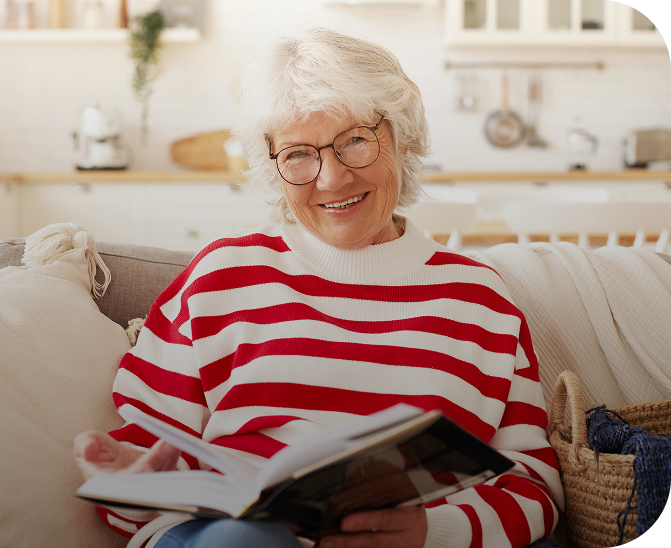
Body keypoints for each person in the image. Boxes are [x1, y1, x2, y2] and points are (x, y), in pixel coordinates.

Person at [74, 27, 564, 548]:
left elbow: (534, 487)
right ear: (273, 166)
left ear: (401, 138)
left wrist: (431, 532)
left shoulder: (479, 297)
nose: (331, 178)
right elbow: (143, 459)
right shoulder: (221, 276)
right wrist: (131, 483)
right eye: (298, 154)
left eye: (355, 141)